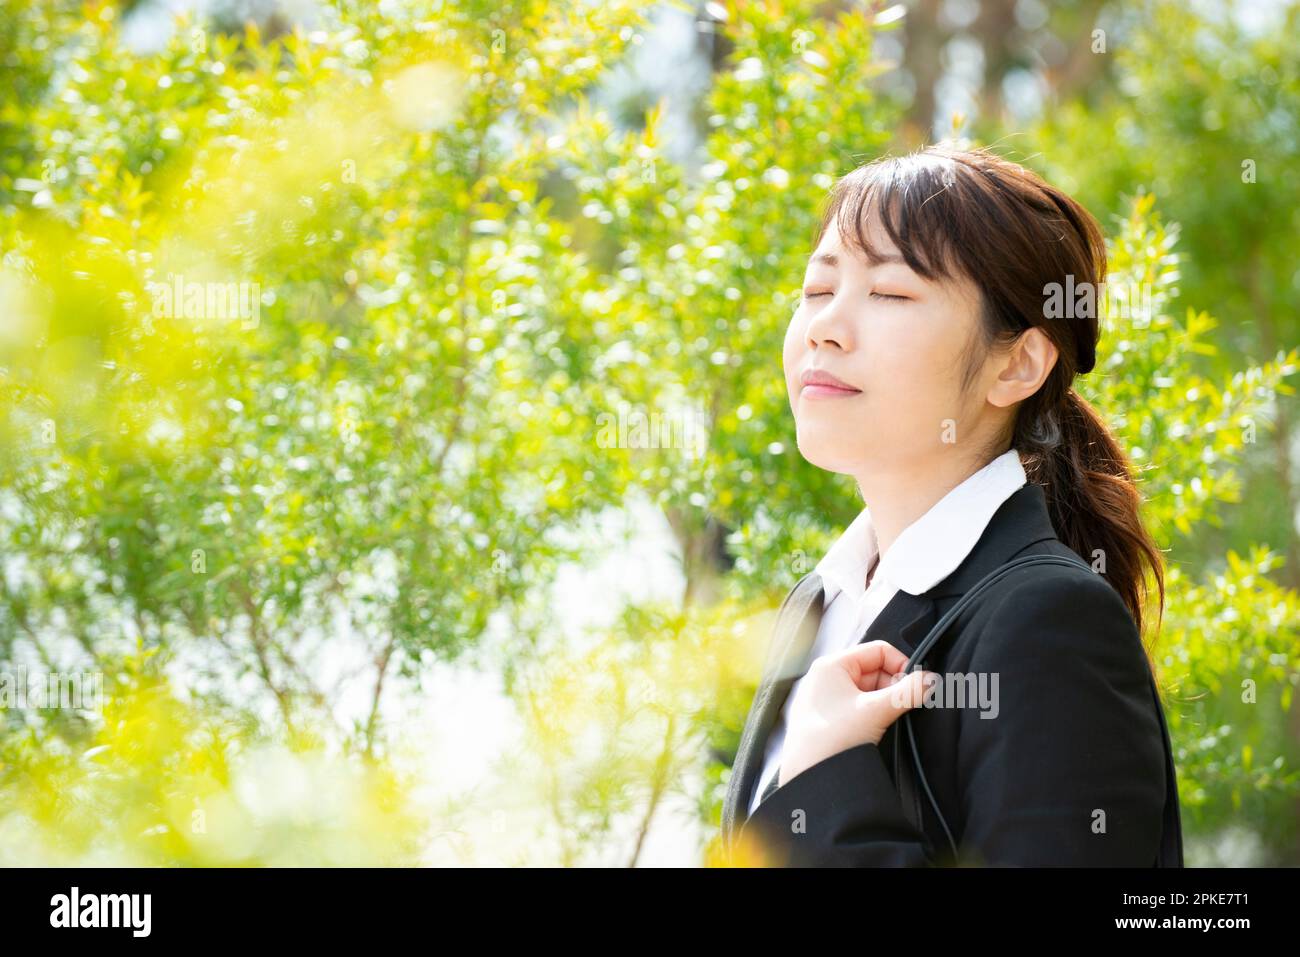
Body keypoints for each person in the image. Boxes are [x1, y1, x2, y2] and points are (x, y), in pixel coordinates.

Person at [719, 145, 1183, 867]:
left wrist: (822, 780)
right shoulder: (819, 602)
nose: (825, 328)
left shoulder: (1050, 621)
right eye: (816, 290)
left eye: (891, 294)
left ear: (1018, 363)